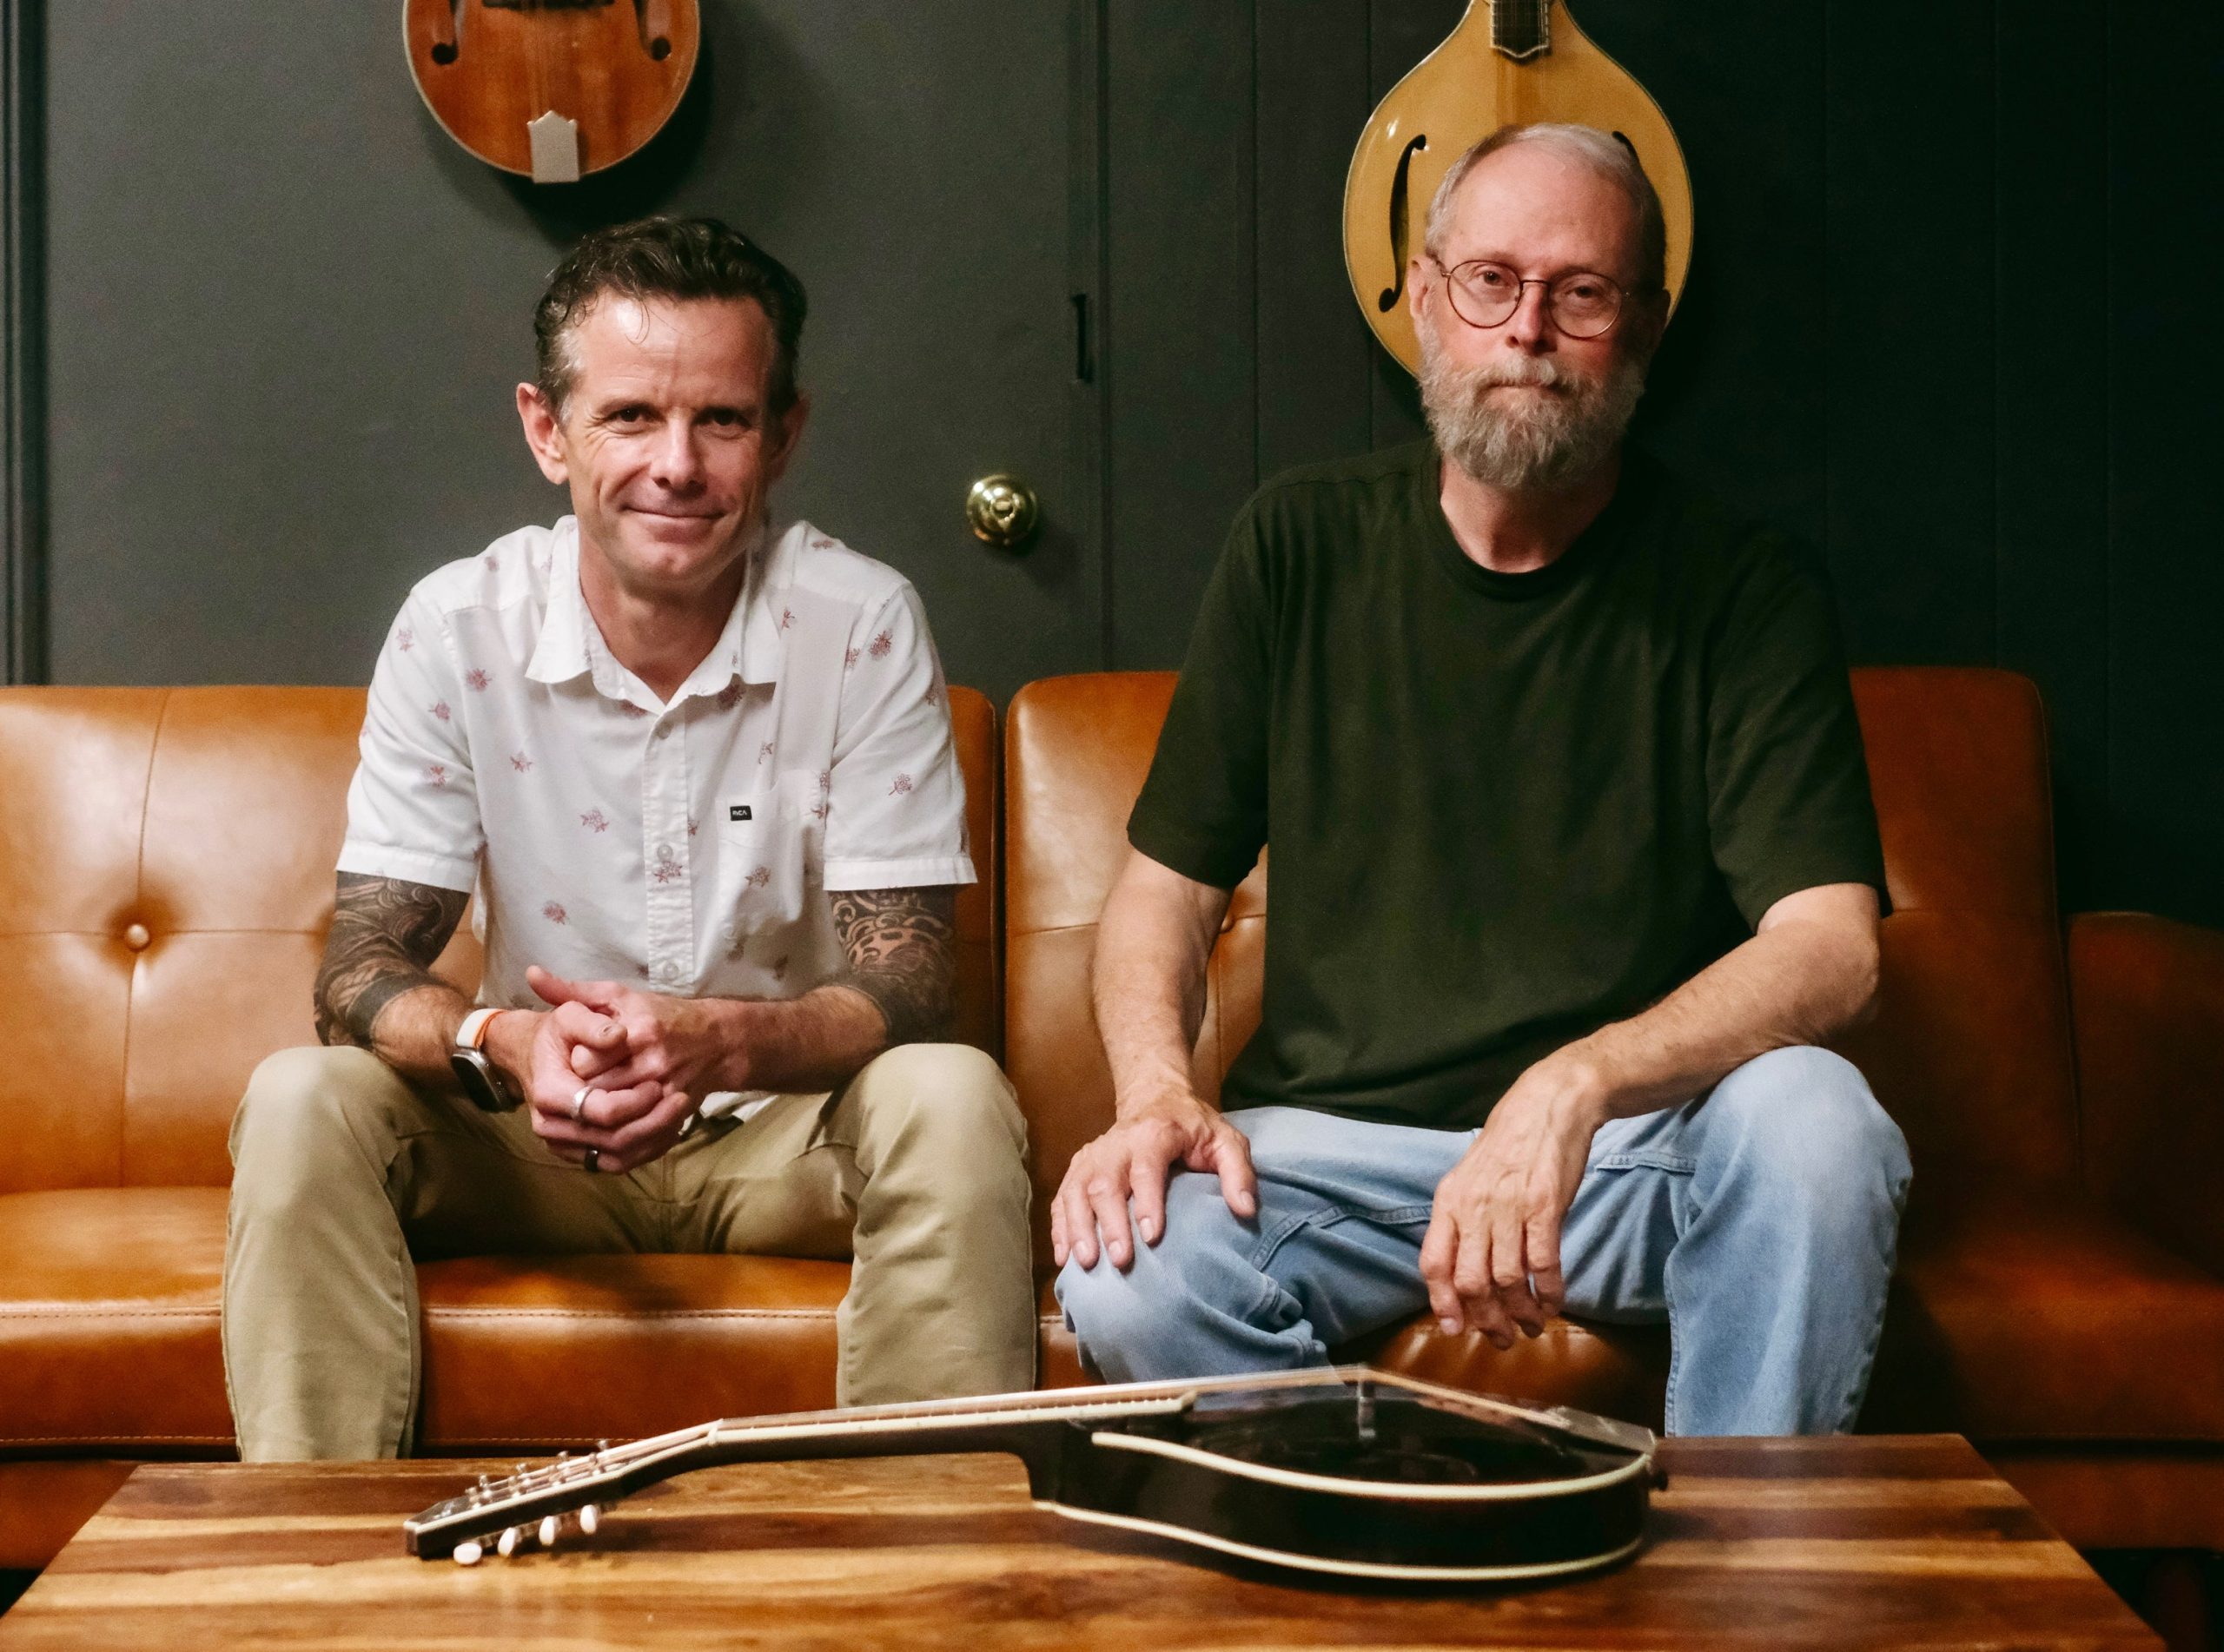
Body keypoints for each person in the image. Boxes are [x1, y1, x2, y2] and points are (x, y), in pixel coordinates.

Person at [1051, 124, 1912, 1436]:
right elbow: (1163, 895)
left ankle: (1733, 1560)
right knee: (1129, 1261)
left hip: (1620, 1158)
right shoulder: (1297, 544)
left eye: (1582, 293)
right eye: (1491, 281)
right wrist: (1157, 1094)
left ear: (1646, 326)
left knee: (1822, 1126)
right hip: (1334, 1159)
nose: (1528, 332)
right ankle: (1372, 1528)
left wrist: (1576, 1084)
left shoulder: (1745, 588)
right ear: (1425, 295)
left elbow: (1834, 948)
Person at [222, 216, 1033, 1461]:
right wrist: (507, 1044)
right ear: (548, 430)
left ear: (784, 436)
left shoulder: (861, 622)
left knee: (956, 1092)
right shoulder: (458, 625)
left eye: (723, 419)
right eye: (630, 417)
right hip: (534, 1138)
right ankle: (322, 1558)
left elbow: (916, 982)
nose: (678, 464)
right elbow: (358, 974)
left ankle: (919, 1548)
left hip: (780, 1135)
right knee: (299, 1096)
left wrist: (723, 1041)